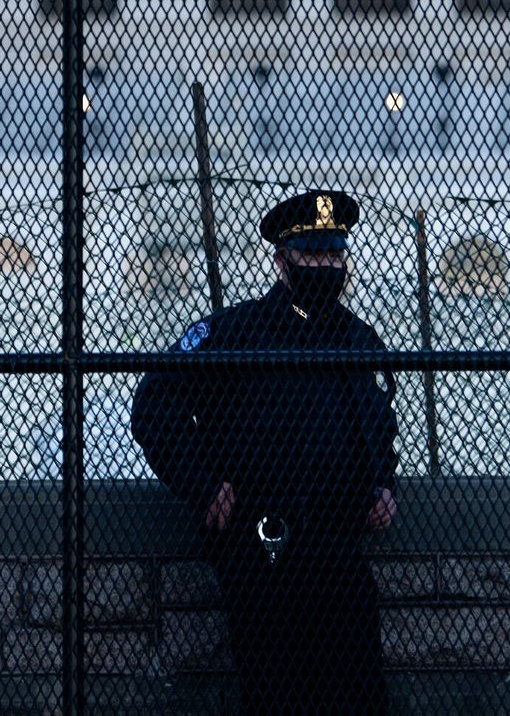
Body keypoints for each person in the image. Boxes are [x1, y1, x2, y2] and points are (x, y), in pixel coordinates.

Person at [131, 189, 397, 716]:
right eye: (312, 255)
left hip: (337, 540)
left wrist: (386, 486)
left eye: (334, 255)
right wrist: (203, 485)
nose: (326, 266)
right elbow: (154, 404)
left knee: (361, 688)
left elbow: (379, 425)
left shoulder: (357, 338)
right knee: (276, 689)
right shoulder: (234, 333)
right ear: (282, 262)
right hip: (262, 545)